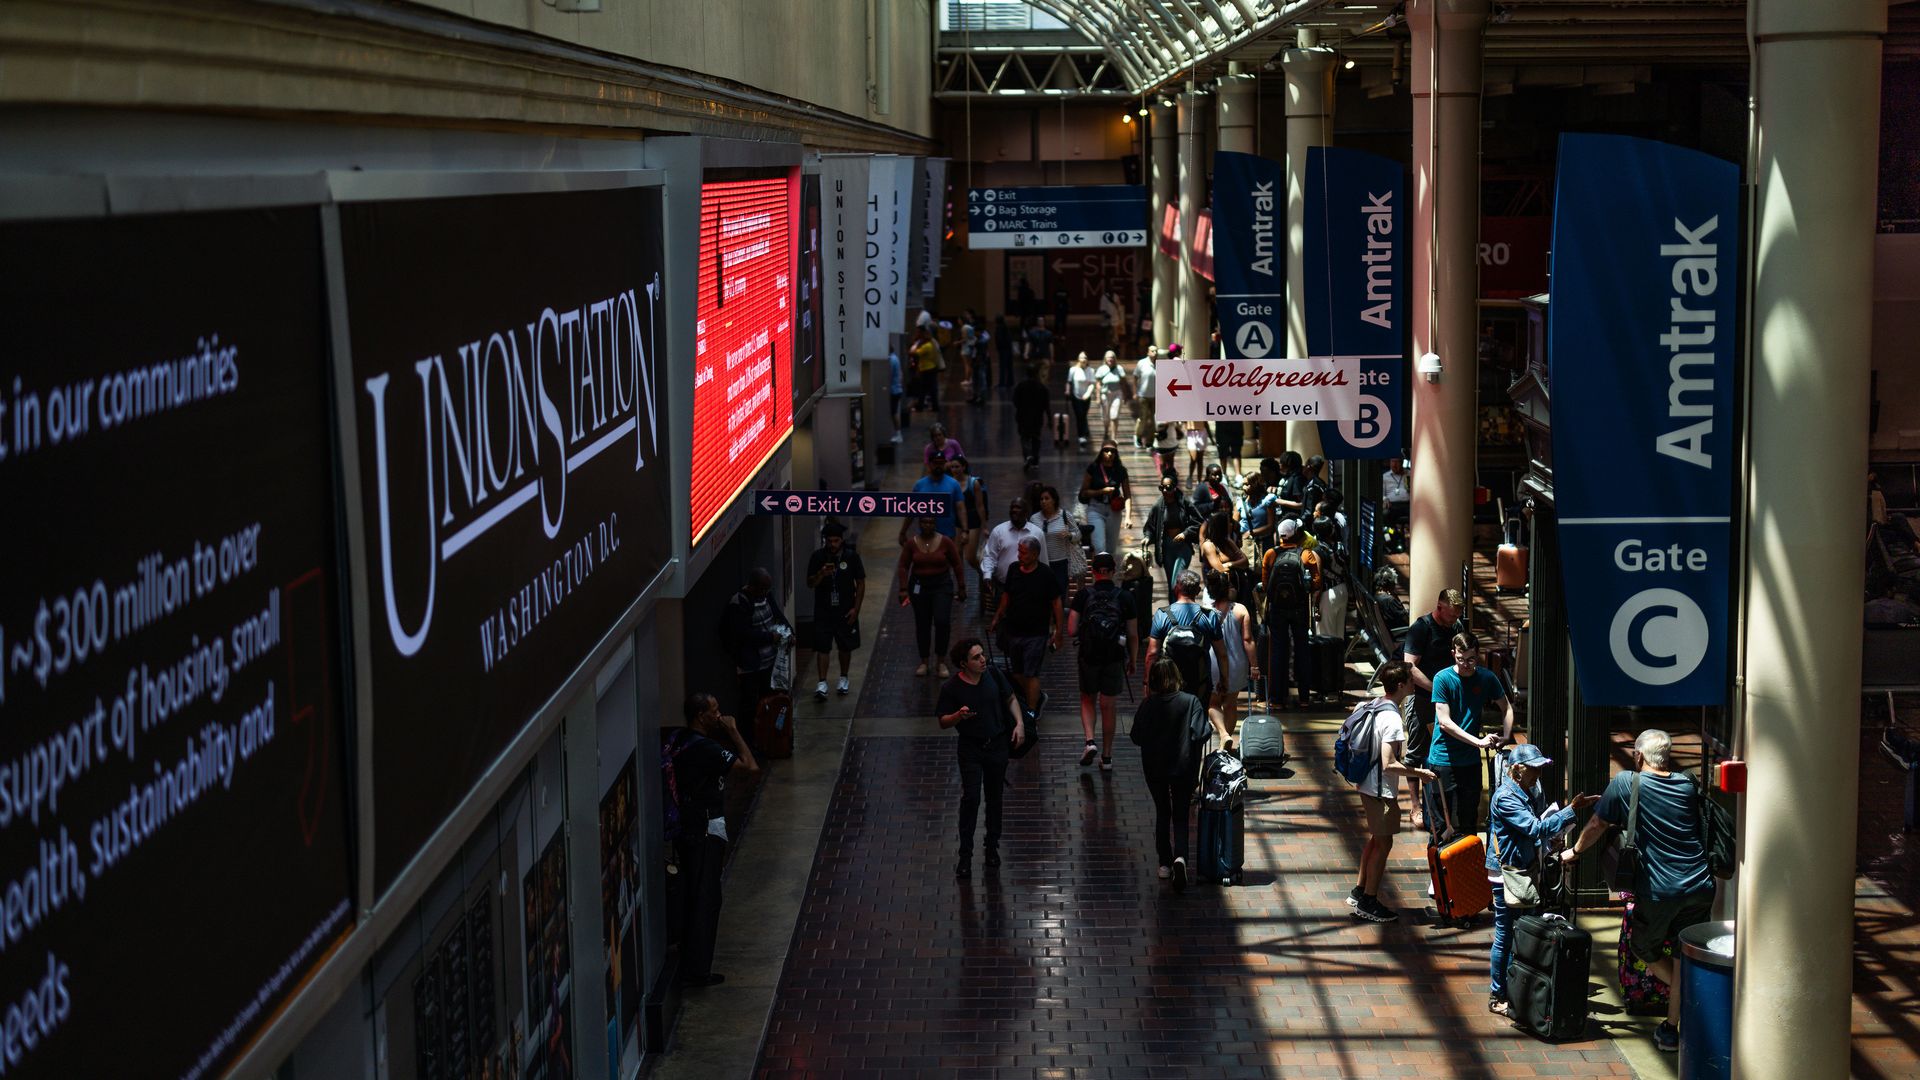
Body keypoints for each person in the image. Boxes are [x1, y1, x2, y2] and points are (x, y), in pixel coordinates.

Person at [1559, 729, 1717, 1053]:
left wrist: (1573, 852)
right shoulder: (1688, 783)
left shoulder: (1628, 783)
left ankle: (1690, 994)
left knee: (1644, 946)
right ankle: (1672, 1029)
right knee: (1688, 954)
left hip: (1660, 891)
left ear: (1639, 756)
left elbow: (1596, 825)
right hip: (1700, 885)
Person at [1482, 743, 1598, 1014]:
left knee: (1520, 931)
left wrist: (1553, 838)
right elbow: (1534, 828)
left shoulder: (1528, 792)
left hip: (1523, 869)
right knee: (1505, 934)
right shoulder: (1507, 797)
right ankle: (1498, 994)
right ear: (1517, 770)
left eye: (1539, 769)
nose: (1538, 774)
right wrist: (1569, 811)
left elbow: (1535, 831)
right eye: (1533, 769)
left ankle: (1514, 987)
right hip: (1508, 874)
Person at [664, 692, 760, 987]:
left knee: (696, 891)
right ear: (700, 716)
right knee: (706, 897)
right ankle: (698, 969)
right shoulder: (705, 748)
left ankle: (692, 958)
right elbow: (750, 767)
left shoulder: (680, 740)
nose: (720, 715)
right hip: (704, 829)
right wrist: (733, 730)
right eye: (715, 711)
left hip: (689, 828)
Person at [1344, 663, 1436, 923]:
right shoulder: (1393, 718)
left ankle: (1359, 890)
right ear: (1401, 686)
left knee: (1376, 838)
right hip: (1380, 790)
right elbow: (1389, 763)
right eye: (1410, 680)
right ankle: (1369, 901)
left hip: (1365, 783)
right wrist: (1421, 773)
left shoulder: (1369, 704)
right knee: (1384, 843)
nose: (1413, 682)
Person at [1130, 658, 1231, 889]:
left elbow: (1136, 736)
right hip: (1183, 767)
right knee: (1182, 814)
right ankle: (1181, 857)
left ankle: (1164, 864)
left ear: (1153, 681)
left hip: (1154, 767)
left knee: (1162, 811)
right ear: (1177, 677)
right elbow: (1201, 733)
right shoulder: (1191, 702)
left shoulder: (1148, 705)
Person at [937, 637, 1026, 879]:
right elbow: (943, 721)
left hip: (997, 746)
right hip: (970, 749)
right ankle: (965, 854)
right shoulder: (952, 688)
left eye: (982, 654)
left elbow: (1010, 699)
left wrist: (1019, 723)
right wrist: (958, 716)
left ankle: (992, 846)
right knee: (971, 798)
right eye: (976, 657)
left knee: (995, 798)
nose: (983, 659)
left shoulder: (994, 675)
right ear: (963, 664)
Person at [1426, 632, 1514, 839]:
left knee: (1468, 821)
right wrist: (1478, 742)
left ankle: (1467, 868)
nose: (1466, 664)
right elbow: (1445, 723)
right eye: (1460, 659)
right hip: (1443, 759)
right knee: (1441, 825)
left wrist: (1507, 736)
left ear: (1478, 656)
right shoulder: (1443, 678)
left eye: (1471, 659)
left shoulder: (1486, 678)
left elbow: (1507, 708)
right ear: (1453, 655)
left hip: (1470, 762)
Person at [1401, 587, 1467, 831]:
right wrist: (1435, 688)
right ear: (1439, 608)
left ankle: (1443, 805)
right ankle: (1415, 805)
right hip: (1422, 698)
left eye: (1456, 616)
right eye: (1450, 616)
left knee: (1445, 748)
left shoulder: (1456, 628)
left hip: (1446, 700)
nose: (1453, 621)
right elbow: (1409, 666)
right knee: (1417, 752)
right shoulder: (1421, 628)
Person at [1068, 550, 1138, 772]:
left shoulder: (1083, 595)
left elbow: (1070, 630)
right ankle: (1107, 757)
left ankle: (1090, 741)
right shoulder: (1125, 597)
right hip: (1114, 657)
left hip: (1088, 656)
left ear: (1093, 571)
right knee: (1108, 706)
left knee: (1087, 699)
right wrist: (1133, 659)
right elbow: (1133, 634)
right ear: (1114, 571)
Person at [990, 537, 1063, 727]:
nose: (1019, 555)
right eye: (1019, 551)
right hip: (1014, 631)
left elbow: (1056, 602)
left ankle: (1030, 711)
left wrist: (1058, 630)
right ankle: (1038, 697)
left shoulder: (1045, 574)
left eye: (1023, 552)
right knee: (1017, 673)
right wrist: (997, 616)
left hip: (1036, 634)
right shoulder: (1014, 569)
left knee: (1031, 673)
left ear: (1035, 555)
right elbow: (1006, 596)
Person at [1259, 519, 1321, 710]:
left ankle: (1277, 699)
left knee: (1278, 651)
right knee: (1302, 650)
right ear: (1296, 533)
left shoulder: (1270, 554)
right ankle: (1303, 698)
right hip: (1299, 608)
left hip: (1277, 609)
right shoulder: (1306, 555)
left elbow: (1265, 582)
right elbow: (1317, 583)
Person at [720, 567, 791, 729]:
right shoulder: (739, 603)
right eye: (762, 589)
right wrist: (769, 638)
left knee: (768, 700)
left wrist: (789, 632)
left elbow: (777, 615)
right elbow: (742, 634)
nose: (765, 592)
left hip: (769, 661)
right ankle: (749, 738)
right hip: (750, 665)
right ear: (752, 586)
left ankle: (767, 735)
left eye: (767, 588)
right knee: (750, 704)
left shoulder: (766, 596)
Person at [1145, 570, 1230, 706]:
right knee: (1197, 719)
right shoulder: (1209, 616)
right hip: (1199, 682)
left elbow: (1152, 654)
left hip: (1168, 682)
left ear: (1176, 588)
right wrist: (1224, 680)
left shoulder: (1162, 615)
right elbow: (1222, 654)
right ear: (1197, 591)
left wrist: (1148, 682)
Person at [896, 514, 966, 677]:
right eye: (924, 522)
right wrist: (903, 588)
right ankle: (924, 661)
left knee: (942, 621)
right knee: (923, 623)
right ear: (919, 523)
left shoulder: (946, 541)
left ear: (935, 523)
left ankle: (940, 661)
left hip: (941, 585)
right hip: (919, 587)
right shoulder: (912, 543)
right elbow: (903, 566)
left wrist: (961, 586)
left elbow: (957, 564)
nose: (927, 525)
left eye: (931, 522)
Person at [806, 523, 865, 700]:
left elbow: (860, 583)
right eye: (830, 541)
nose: (833, 544)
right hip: (823, 610)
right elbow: (810, 584)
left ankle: (843, 678)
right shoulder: (817, 557)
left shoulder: (851, 557)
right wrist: (821, 574)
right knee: (822, 647)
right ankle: (822, 682)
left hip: (845, 609)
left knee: (845, 645)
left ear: (842, 540)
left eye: (836, 541)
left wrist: (856, 608)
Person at [1203, 569, 1255, 735]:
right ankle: (1228, 739)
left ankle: (1223, 734)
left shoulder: (1204, 611)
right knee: (1231, 704)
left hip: (1212, 662)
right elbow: (1248, 640)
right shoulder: (1241, 610)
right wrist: (1254, 666)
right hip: (1237, 662)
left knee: (1212, 703)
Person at [1144, 476, 1204, 602]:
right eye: (1162, 488)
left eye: (1168, 488)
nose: (1165, 491)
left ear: (1175, 488)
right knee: (1171, 586)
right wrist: (1147, 537)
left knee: (1176, 582)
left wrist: (1185, 533)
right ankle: (1173, 615)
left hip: (1183, 548)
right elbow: (1150, 526)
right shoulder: (1158, 505)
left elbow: (1199, 521)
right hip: (1167, 548)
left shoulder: (1184, 503)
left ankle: (1182, 611)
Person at [979, 496, 1044, 612]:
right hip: (1003, 587)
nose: (1014, 510)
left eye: (1018, 507)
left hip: (1029, 587)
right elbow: (990, 556)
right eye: (1012, 507)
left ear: (1026, 512)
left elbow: (1043, 560)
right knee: (1003, 621)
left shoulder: (1037, 533)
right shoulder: (998, 531)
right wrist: (987, 575)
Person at [1029, 485, 1086, 597]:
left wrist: (1070, 535)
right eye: (1041, 499)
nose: (1043, 502)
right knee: (1043, 593)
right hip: (1041, 562)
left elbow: (1078, 534)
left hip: (1061, 563)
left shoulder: (1065, 515)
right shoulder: (1034, 518)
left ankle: (1058, 614)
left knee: (1059, 593)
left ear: (1054, 500)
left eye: (1047, 498)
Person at [1308, 490, 1350, 639]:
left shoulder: (1318, 551)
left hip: (1327, 594)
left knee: (1324, 637)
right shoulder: (1339, 545)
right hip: (1342, 590)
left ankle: (1327, 663)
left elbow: (1317, 580)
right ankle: (1338, 662)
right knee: (1339, 636)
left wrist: (1315, 604)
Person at [1079, 442, 1133, 556]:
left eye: (1113, 451)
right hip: (1095, 508)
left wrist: (1128, 517)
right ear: (1101, 452)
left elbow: (1127, 495)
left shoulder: (1120, 470)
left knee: (1111, 548)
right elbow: (1084, 492)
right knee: (1099, 547)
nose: (1109, 453)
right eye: (1106, 450)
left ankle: (1107, 573)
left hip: (1114, 510)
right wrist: (1101, 491)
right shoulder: (1093, 468)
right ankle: (1100, 571)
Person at [901, 450, 965, 542]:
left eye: (941, 463)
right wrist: (903, 532)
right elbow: (911, 511)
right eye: (935, 463)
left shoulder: (954, 484)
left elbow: (961, 508)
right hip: (924, 535)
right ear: (930, 464)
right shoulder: (919, 485)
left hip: (947, 535)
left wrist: (965, 530)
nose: (938, 465)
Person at [949, 455, 987, 582]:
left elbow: (980, 506)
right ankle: (961, 584)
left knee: (970, 557)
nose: (954, 469)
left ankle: (983, 572)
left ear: (964, 467)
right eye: (952, 467)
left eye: (957, 466)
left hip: (972, 520)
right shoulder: (950, 482)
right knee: (956, 554)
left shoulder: (973, 483)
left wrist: (984, 526)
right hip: (956, 521)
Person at [1012, 364, 1051, 470]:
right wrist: (1050, 419)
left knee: (1024, 438)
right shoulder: (1042, 387)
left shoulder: (1021, 385)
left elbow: (1015, 400)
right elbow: (1046, 404)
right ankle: (1035, 461)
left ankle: (1028, 455)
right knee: (1036, 438)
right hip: (1037, 417)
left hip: (1023, 416)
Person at [1093, 350, 1127, 445]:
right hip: (1105, 394)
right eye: (1108, 357)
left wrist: (1125, 395)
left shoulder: (1119, 368)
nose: (1110, 359)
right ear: (1105, 358)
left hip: (1117, 394)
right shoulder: (1101, 369)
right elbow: (1098, 383)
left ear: (1115, 358)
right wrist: (1098, 396)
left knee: (1114, 416)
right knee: (1105, 417)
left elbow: (1123, 382)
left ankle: (1113, 437)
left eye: (1112, 357)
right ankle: (1106, 431)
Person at [1066, 351, 1096, 447]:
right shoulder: (1073, 370)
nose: (1083, 360)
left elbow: (1092, 384)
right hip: (1076, 396)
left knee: (1083, 414)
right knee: (1079, 415)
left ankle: (1084, 430)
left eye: (1085, 358)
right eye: (1081, 358)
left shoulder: (1091, 371)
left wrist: (1088, 394)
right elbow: (1069, 382)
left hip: (1086, 397)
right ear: (1078, 359)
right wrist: (1067, 391)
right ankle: (1081, 436)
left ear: (1087, 360)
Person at [909, 326, 941, 411]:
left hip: (927, 369)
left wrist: (916, 344)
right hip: (930, 368)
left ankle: (921, 406)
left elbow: (914, 353)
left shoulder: (927, 346)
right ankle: (933, 406)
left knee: (924, 389)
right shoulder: (931, 344)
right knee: (930, 389)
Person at [1133, 346, 1158, 448]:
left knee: (1153, 419)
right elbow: (1135, 377)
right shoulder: (1142, 363)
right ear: (1148, 352)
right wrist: (1135, 392)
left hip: (1155, 396)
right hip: (1143, 395)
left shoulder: (1160, 364)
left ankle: (1150, 441)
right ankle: (1137, 437)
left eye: (1156, 351)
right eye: (1152, 351)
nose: (1155, 353)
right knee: (1142, 418)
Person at [1184, 413, 1210, 487]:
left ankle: (1199, 480)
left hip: (1201, 432)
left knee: (1200, 459)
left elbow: (1206, 422)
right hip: (1191, 432)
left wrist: (1211, 438)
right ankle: (1190, 477)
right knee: (1193, 458)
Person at [887, 345, 907, 444]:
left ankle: (898, 435)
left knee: (893, 412)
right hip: (897, 388)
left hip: (893, 390)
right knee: (894, 412)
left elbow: (889, 375)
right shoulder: (896, 358)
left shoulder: (891, 360)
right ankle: (898, 434)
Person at [994, 313, 1017, 389]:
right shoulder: (1006, 327)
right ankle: (1010, 382)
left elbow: (999, 340)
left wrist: (999, 348)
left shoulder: (999, 328)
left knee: (1002, 367)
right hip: (1008, 349)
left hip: (1003, 350)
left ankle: (1002, 383)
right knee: (1009, 366)